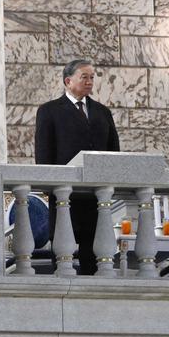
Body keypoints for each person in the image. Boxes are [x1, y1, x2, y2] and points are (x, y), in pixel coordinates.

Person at [34, 59, 120, 276]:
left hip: (96, 195)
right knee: (63, 251)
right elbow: (44, 153)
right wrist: (50, 186)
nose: (90, 81)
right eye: (84, 77)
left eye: (92, 77)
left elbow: (113, 150)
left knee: (94, 251)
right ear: (68, 81)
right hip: (65, 194)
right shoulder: (49, 111)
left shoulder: (102, 112)